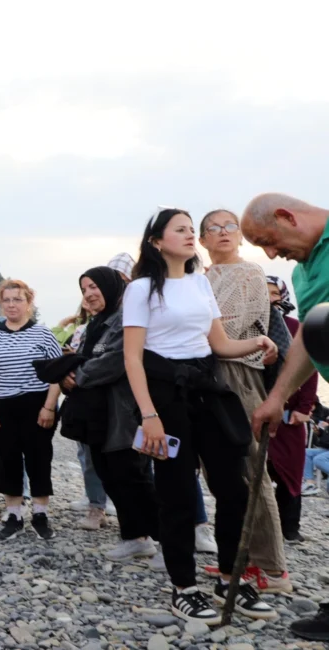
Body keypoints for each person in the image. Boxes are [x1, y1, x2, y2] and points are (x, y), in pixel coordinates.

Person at [123, 208, 277, 625]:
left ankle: (230, 578)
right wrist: (149, 415)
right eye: (182, 230)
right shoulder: (141, 290)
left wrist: (257, 342)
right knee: (175, 494)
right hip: (164, 396)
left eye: (194, 229)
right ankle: (183, 589)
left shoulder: (199, 283)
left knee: (234, 487)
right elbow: (132, 359)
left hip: (207, 388)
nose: (192, 235)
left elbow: (220, 344)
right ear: (157, 241)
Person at [243, 194, 329, 641]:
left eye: (268, 242)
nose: (271, 255)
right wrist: (277, 396)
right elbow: (308, 339)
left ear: (286, 216)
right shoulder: (304, 270)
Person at [199, 209, 290, 593]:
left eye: (229, 226)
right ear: (202, 240)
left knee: (253, 470)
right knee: (219, 474)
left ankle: (272, 568)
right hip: (206, 378)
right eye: (213, 228)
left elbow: (232, 327)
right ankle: (238, 559)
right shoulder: (200, 277)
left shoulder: (250, 272)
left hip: (239, 373)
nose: (223, 232)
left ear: (240, 235)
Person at [58, 267, 161, 562]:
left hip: (124, 412)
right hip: (98, 415)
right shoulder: (96, 324)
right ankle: (135, 537)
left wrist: (78, 374)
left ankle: (167, 540)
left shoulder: (126, 319)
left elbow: (117, 360)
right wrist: (67, 372)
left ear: (111, 287)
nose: (89, 294)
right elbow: (88, 358)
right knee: (110, 475)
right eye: (84, 289)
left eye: (94, 286)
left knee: (133, 476)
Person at [0, 279, 63, 541]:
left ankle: (40, 514)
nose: (12, 305)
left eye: (18, 299)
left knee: (39, 457)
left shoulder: (43, 334)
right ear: (1, 303)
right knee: (7, 458)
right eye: (7, 300)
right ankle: (13, 515)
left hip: (37, 405)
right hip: (1, 407)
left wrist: (48, 407)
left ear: (28, 303)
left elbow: (57, 374)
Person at [265, 275, 316, 543]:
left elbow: (310, 369)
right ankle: (263, 531)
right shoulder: (251, 325)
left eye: (274, 292)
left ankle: (289, 529)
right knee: (256, 473)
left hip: (290, 416)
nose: (270, 297)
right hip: (257, 412)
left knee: (291, 473)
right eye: (264, 292)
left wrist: (305, 407)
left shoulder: (297, 327)